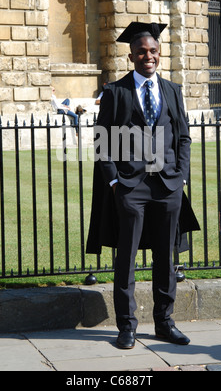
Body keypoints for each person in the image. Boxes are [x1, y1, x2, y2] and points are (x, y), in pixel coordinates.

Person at [86, 22, 200, 350]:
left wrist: (181, 177)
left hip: (167, 186)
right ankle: (127, 326)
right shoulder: (115, 92)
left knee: (166, 258)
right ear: (132, 55)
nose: (147, 56)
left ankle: (165, 323)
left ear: (159, 54)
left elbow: (182, 137)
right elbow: (102, 140)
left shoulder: (172, 91)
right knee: (127, 259)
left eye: (153, 51)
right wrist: (113, 181)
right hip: (131, 186)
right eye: (141, 51)